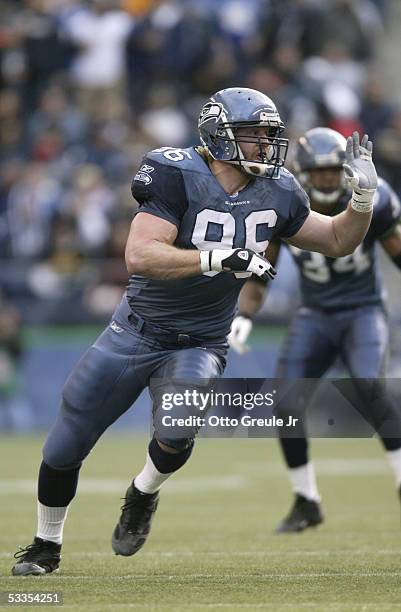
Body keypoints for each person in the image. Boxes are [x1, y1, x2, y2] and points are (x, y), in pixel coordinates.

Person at [12, 90, 377, 575]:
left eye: (270, 135)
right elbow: (140, 255)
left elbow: (335, 239)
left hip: (201, 341)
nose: (266, 145)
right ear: (218, 135)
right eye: (255, 135)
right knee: (65, 446)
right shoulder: (176, 172)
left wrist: (362, 200)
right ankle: (45, 544)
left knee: (178, 432)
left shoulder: (280, 190)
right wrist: (217, 257)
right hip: (134, 334)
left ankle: (141, 493)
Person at [228, 126, 401, 533]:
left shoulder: (373, 196)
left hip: (362, 309)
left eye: (331, 171)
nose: (325, 179)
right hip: (315, 313)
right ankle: (306, 500)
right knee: (284, 403)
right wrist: (244, 316)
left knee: (368, 385)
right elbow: (260, 270)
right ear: (302, 173)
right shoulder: (285, 201)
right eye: (318, 172)